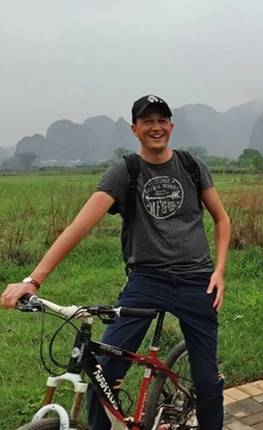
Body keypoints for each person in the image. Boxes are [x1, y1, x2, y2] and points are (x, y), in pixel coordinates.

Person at [1, 94, 231, 429]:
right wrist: (33, 280)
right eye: (147, 121)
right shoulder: (125, 172)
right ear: (134, 128)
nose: (156, 127)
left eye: (162, 120)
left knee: (208, 382)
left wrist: (219, 271)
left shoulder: (191, 166)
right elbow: (79, 226)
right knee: (102, 374)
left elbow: (222, 219)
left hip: (197, 280)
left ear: (171, 126)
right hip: (147, 281)